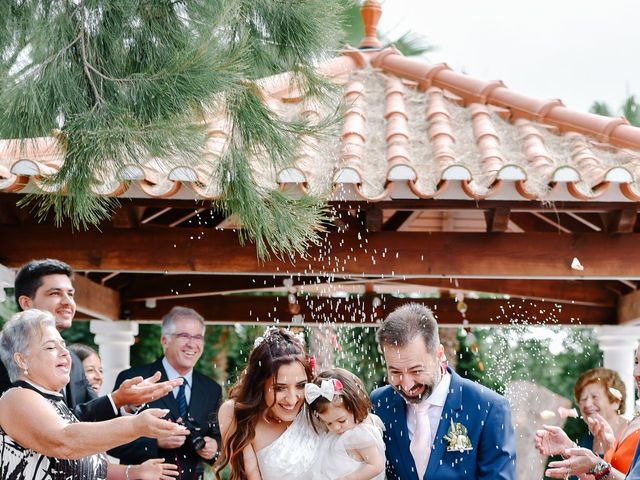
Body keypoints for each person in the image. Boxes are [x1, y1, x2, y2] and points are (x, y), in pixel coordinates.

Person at [0, 309, 185, 480]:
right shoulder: (16, 397)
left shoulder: (55, 404)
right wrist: (136, 425)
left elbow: (88, 464)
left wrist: (135, 472)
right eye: (50, 347)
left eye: (63, 345)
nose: (65, 352)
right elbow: (65, 442)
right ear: (21, 360)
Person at [0, 258, 180, 421]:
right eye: (55, 293)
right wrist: (117, 399)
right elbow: (51, 426)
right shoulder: (5, 354)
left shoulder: (73, 360)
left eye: (70, 294)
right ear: (26, 303)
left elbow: (92, 418)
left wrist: (127, 403)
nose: (67, 302)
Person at [370, 303, 516, 480]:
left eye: (416, 371)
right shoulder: (379, 403)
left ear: (439, 354)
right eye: (395, 372)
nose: (406, 385)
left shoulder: (488, 408)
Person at [109, 307, 223, 480]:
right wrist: (155, 442)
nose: (192, 344)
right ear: (165, 340)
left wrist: (214, 447)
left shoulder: (212, 389)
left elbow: (219, 438)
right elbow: (111, 440)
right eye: (184, 336)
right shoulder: (133, 379)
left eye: (198, 337)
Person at [217, 327, 319, 480]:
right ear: (259, 384)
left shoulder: (318, 408)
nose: (292, 399)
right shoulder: (234, 414)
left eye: (300, 385)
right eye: (280, 388)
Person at [536, 350, 640, 479]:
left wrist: (596, 467)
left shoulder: (631, 433)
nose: (587, 404)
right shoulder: (592, 439)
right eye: (583, 399)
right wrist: (570, 448)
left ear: (616, 401)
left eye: (595, 397)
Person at [305, 367, 385, 480]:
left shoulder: (360, 434)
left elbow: (376, 465)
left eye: (341, 420)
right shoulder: (342, 429)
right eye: (328, 423)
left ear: (356, 406)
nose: (336, 427)